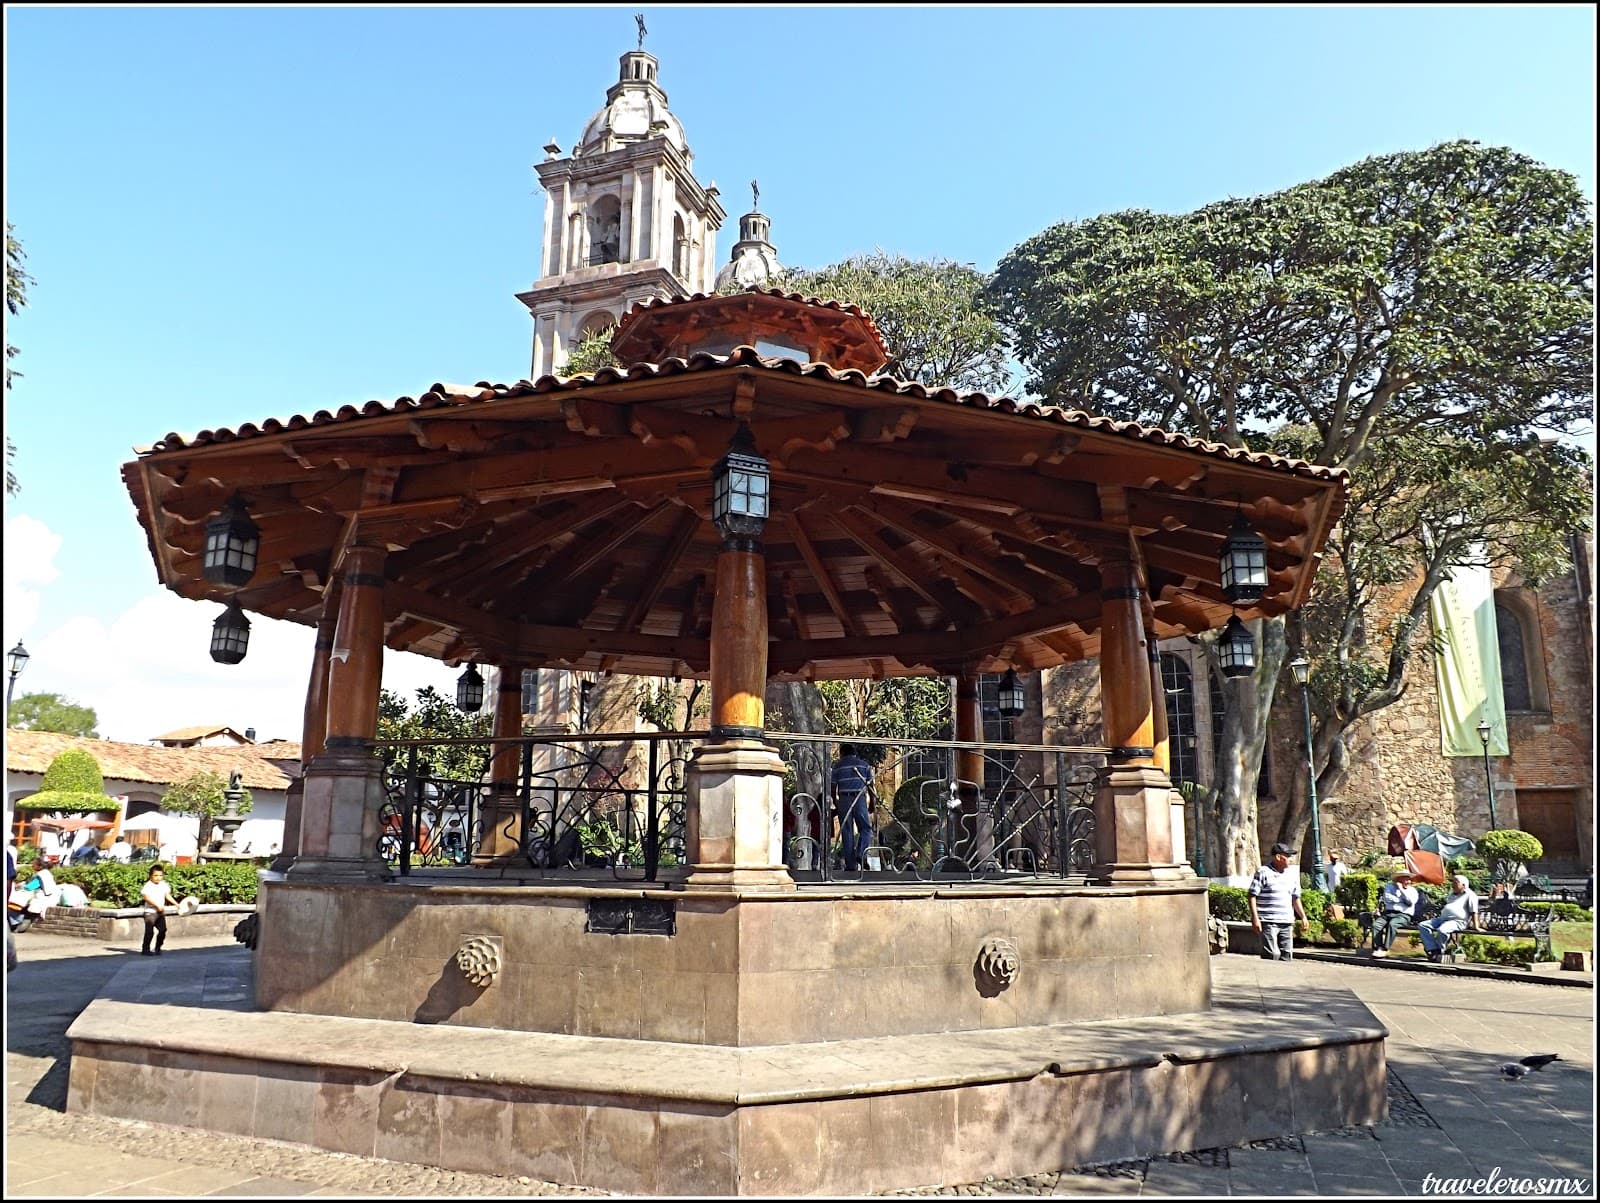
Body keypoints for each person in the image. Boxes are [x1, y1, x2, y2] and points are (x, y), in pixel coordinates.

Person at [1248, 842, 1308, 961]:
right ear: (1278, 857)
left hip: (1287, 921)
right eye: (1287, 856)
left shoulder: (1291, 875)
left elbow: (1295, 898)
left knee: (1287, 955)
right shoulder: (1263, 872)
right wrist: (1255, 918)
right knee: (1272, 954)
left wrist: (1303, 917)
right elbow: (1252, 895)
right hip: (1269, 921)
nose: (1290, 859)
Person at [830, 744, 877, 873]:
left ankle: (851, 865)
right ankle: (861, 852)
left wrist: (835, 802)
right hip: (859, 797)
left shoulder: (838, 766)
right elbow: (870, 785)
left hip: (844, 798)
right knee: (865, 828)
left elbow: (833, 787)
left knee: (847, 831)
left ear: (842, 753)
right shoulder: (863, 765)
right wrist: (872, 802)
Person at [1418, 873, 1481, 962]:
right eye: (1453, 882)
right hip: (1443, 919)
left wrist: (1476, 926)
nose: (1453, 885)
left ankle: (1440, 950)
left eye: (1455, 883)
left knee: (1442, 930)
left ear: (1463, 885)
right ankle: (1433, 949)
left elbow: (1474, 911)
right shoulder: (1452, 895)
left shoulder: (1470, 895)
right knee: (1423, 925)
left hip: (1458, 921)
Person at [1370, 867, 1422, 957]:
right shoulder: (1389, 887)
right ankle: (1378, 948)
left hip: (1404, 915)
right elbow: (1387, 898)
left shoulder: (1413, 891)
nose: (1408, 882)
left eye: (1409, 879)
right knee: (1376, 925)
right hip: (1388, 913)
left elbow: (1409, 903)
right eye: (1405, 879)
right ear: (1398, 880)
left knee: (1392, 924)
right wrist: (1401, 900)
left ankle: (1385, 949)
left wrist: (1401, 890)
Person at [140, 865, 177, 956]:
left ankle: (158, 947)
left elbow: (167, 895)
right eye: (155, 875)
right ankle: (145, 949)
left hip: (160, 912)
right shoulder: (148, 885)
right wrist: (156, 905)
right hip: (150, 912)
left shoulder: (163, 885)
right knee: (149, 932)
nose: (158, 878)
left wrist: (177, 904)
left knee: (163, 930)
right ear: (150, 876)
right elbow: (146, 898)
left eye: (160, 875)